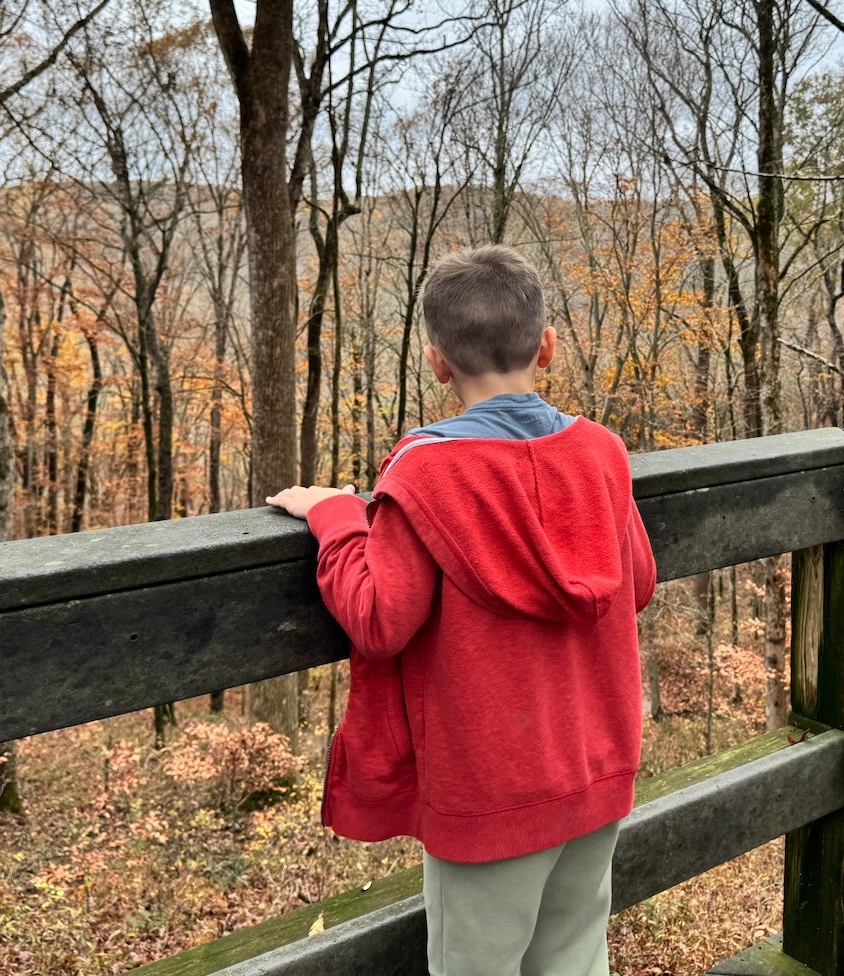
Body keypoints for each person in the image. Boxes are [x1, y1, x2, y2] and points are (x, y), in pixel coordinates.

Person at [267, 244, 657, 976]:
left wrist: (337, 518)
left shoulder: (426, 471)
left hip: (491, 791)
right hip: (595, 768)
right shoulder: (602, 453)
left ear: (438, 362)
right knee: (574, 962)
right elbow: (633, 583)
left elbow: (380, 619)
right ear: (547, 347)